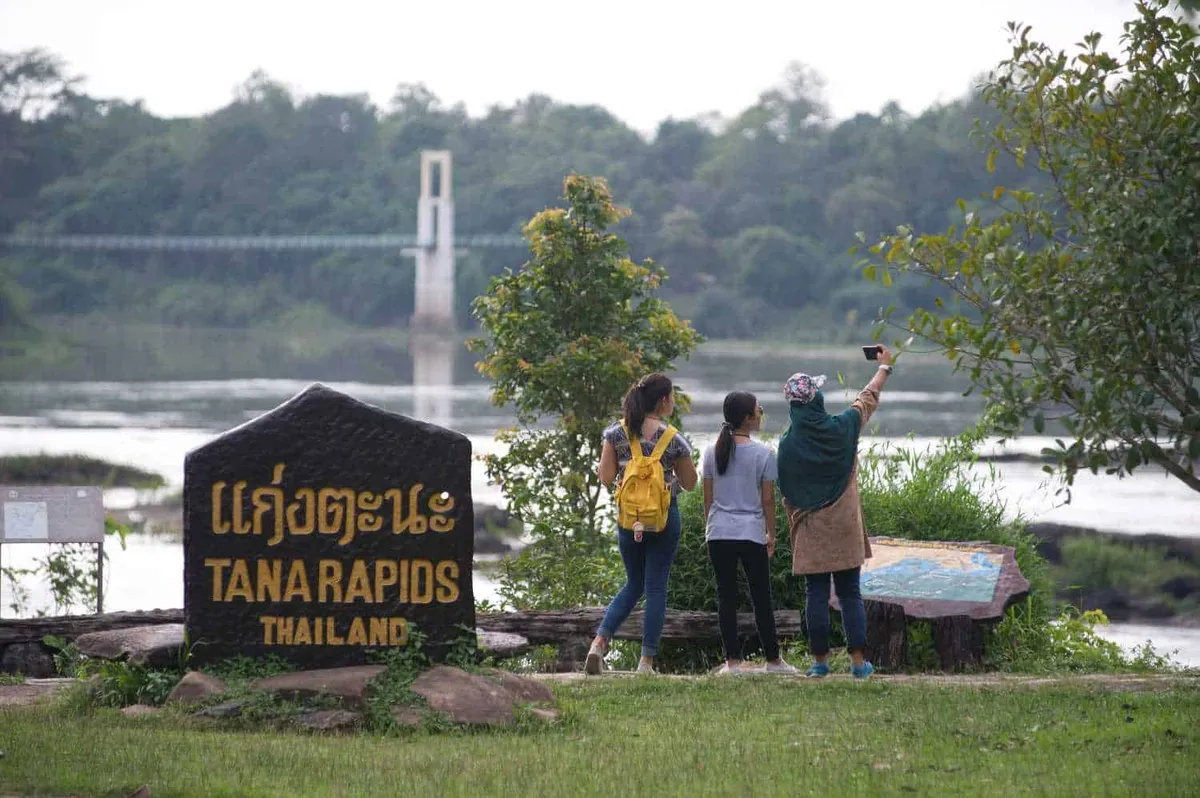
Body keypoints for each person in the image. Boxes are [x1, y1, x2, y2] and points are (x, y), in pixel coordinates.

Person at [777, 346, 894, 679]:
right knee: (849, 593)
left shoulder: (787, 445)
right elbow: (866, 398)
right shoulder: (843, 428)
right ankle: (858, 664)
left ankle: (820, 663)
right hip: (845, 526)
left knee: (815, 593)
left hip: (810, 527)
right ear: (815, 399)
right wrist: (884, 367)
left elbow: (787, 492)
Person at [587, 373, 698, 675]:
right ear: (663, 401)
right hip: (663, 519)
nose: (673, 401)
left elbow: (607, 477)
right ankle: (646, 662)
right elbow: (690, 483)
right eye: (672, 396)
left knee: (634, 583)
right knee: (656, 588)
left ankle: (599, 642)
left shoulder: (615, 434)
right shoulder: (673, 438)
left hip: (628, 520)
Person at [703, 391, 798, 675]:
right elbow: (768, 500)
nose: (761, 412)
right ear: (748, 418)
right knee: (761, 597)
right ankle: (773, 661)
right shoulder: (763, 454)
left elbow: (707, 499)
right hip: (750, 533)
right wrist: (772, 533)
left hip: (718, 532)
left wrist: (712, 526)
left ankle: (732, 663)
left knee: (726, 597)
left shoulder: (711, 451)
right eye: (759, 409)